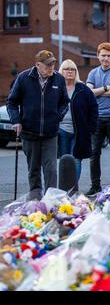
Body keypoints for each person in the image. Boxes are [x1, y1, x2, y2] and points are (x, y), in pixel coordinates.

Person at [7, 50, 70, 200]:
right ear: (38, 65)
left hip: (50, 133)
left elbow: (64, 103)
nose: (51, 67)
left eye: (53, 64)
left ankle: (51, 199)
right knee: (33, 169)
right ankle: (35, 198)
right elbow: (12, 102)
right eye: (48, 65)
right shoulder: (23, 78)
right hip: (29, 132)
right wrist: (16, 121)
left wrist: (57, 116)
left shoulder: (58, 79)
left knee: (51, 169)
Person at [86, 42, 110, 196]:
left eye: (109, 56)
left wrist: (97, 92)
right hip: (96, 118)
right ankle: (95, 185)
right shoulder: (93, 73)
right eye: (103, 55)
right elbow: (88, 94)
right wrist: (105, 88)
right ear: (98, 56)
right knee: (94, 153)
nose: (106, 58)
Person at [58, 59, 98, 181]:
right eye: (67, 69)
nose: (70, 71)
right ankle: (64, 189)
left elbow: (94, 108)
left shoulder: (83, 89)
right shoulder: (56, 88)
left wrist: (90, 129)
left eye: (72, 69)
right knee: (64, 160)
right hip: (61, 131)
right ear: (61, 71)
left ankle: (73, 189)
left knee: (76, 160)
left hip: (79, 132)